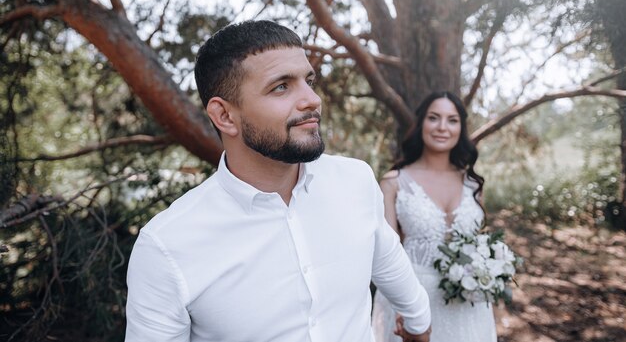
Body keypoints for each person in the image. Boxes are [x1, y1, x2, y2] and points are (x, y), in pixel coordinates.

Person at [124, 20, 431, 342]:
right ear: (225, 116)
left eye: (308, 80)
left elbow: (388, 260)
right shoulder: (166, 245)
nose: (312, 99)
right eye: (281, 87)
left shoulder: (355, 180)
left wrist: (419, 321)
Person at [371, 91, 497, 342]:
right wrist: (406, 309)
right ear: (421, 125)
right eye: (434, 118)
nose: (442, 127)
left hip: (469, 305)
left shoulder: (473, 185)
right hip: (414, 301)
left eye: (452, 120)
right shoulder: (394, 183)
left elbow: (480, 245)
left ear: (461, 128)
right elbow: (385, 255)